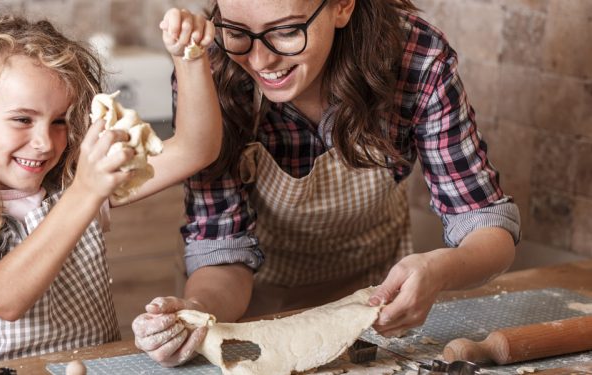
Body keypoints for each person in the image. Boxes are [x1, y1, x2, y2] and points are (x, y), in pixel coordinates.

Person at [132, 0, 521, 367]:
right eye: (237, 31)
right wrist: (194, 311)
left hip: (379, 311)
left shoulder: (414, 56)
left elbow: (485, 225)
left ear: (342, 6)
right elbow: (220, 249)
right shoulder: (211, 68)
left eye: (285, 31)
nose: (260, 59)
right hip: (251, 316)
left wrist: (440, 270)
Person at [0, 7, 220, 366]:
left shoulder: (71, 182)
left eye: (59, 120)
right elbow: (3, 297)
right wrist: (87, 192)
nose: (45, 141)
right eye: (23, 119)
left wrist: (190, 58)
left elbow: (194, 149)